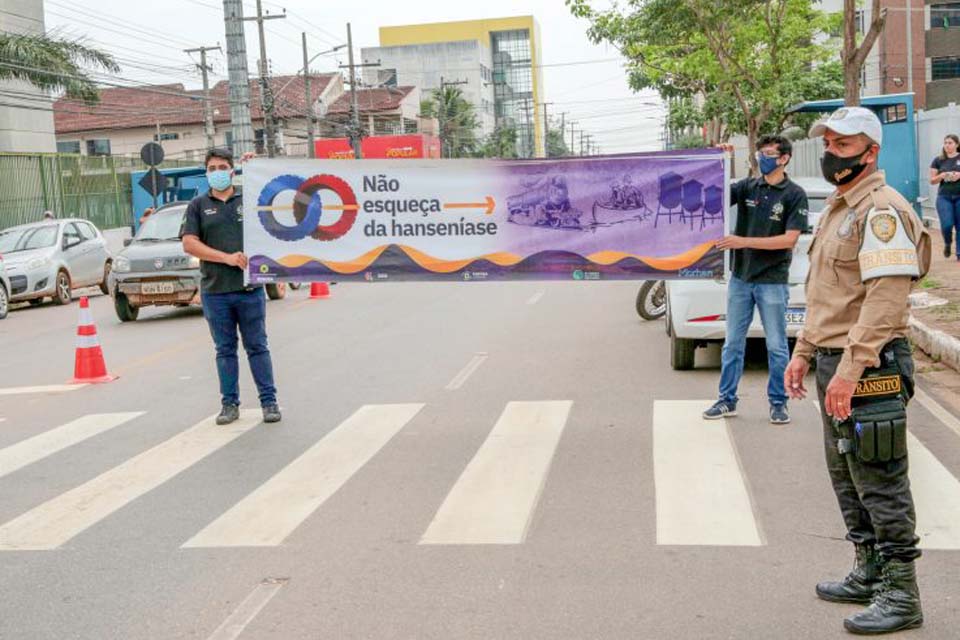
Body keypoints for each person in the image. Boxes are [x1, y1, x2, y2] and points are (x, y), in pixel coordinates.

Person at [785, 107, 931, 635]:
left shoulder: (882, 211)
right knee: (847, 473)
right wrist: (803, 351)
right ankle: (868, 570)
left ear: (872, 151)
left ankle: (901, 592)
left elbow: (884, 301)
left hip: (870, 365)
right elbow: (828, 295)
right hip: (834, 359)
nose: (831, 154)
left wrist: (850, 369)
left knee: (880, 479)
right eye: (829, 144)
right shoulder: (839, 209)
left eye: (844, 146)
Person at [703, 135, 808, 424]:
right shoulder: (749, 186)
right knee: (733, 343)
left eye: (769, 154)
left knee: (776, 345)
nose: (763, 158)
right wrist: (720, 160)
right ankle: (727, 399)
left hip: (772, 280)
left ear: (784, 158)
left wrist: (742, 241)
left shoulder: (794, 194)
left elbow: (788, 240)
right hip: (741, 278)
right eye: (761, 153)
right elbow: (715, 193)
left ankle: (778, 402)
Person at [181, 148, 281, 425]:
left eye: (222, 167)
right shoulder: (198, 206)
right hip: (215, 291)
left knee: (257, 346)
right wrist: (226, 257)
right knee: (224, 350)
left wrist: (258, 166)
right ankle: (229, 404)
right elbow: (189, 243)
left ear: (232, 171)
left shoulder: (248, 200)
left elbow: (274, 211)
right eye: (212, 168)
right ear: (206, 172)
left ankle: (269, 402)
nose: (217, 172)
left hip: (249, 289)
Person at [929, 133, 960, 260]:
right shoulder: (938, 160)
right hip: (944, 197)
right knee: (947, 224)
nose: (947, 145)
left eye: (950, 143)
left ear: (957, 144)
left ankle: (959, 253)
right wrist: (942, 176)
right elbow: (932, 180)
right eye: (946, 143)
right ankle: (947, 243)